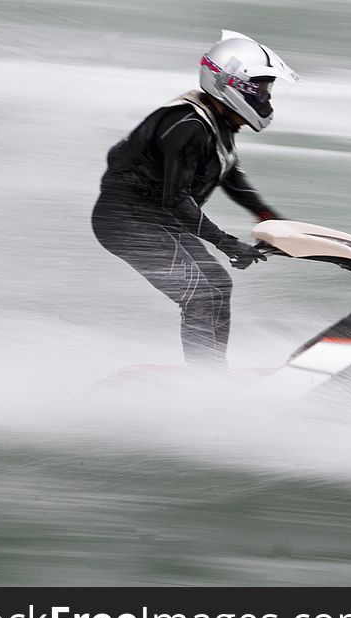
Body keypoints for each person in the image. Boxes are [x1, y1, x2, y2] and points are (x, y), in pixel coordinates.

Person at [92, 30, 300, 368]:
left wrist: (268, 215)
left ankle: (212, 376)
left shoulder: (216, 119)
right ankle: (205, 385)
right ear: (230, 85)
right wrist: (228, 243)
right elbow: (176, 199)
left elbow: (229, 174)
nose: (265, 100)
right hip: (126, 223)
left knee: (217, 286)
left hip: (157, 221)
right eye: (260, 91)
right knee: (202, 295)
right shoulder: (188, 126)